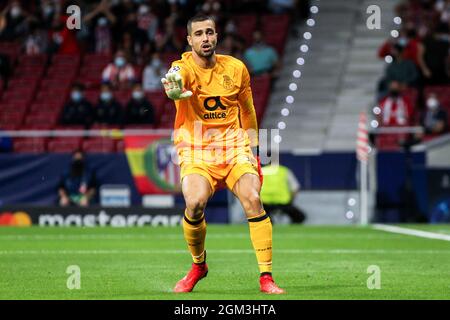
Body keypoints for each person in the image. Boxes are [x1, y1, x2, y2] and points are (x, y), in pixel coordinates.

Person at [161, 14, 284, 294]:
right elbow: (174, 81)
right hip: (196, 148)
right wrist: (173, 91)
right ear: (189, 40)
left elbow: (248, 111)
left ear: (217, 36)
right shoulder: (183, 68)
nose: (206, 38)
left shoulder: (237, 68)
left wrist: (253, 150)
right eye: (200, 34)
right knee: (194, 203)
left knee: (253, 198)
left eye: (210, 32)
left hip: (234, 147)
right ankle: (198, 266)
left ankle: (266, 277)